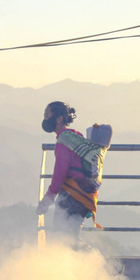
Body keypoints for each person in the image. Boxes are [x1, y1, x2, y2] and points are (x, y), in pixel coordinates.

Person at [37, 101, 96, 246]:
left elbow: (60, 173)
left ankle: (82, 258)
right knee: (71, 237)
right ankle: (85, 258)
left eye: (47, 115)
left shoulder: (64, 141)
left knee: (62, 239)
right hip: (85, 195)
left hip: (72, 195)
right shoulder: (76, 136)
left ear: (59, 119)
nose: (45, 119)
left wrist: (46, 201)